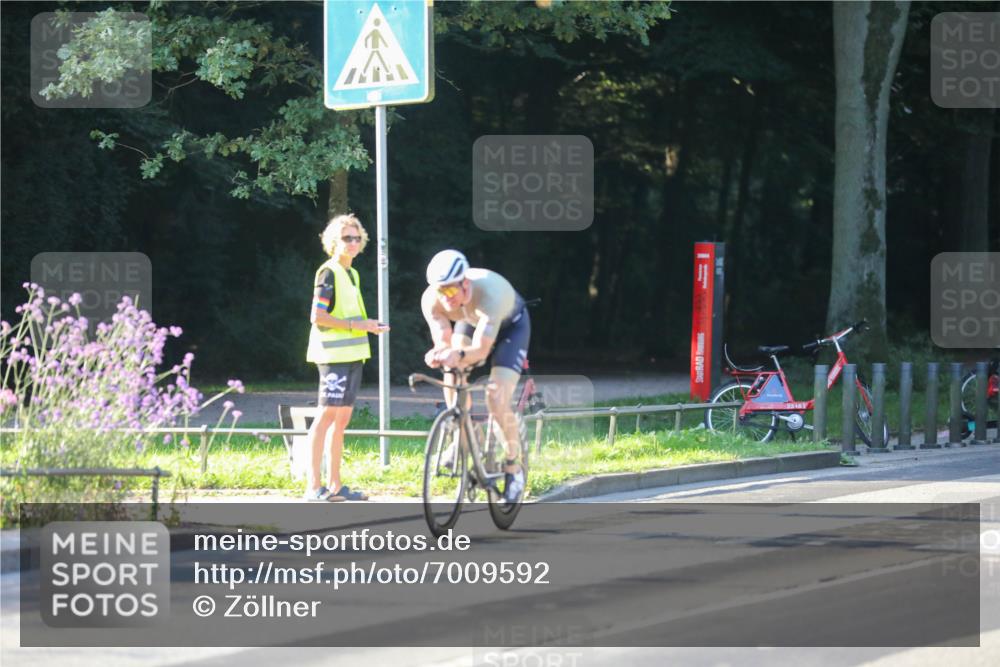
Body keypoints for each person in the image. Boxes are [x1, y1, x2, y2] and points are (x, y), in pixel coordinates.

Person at [420, 250, 530, 504]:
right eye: (439, 291)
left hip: (509, 328)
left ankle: (514, 466)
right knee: (452, 371)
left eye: (449, 291)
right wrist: (440, 353)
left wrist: (456, 353)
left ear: (465, 284)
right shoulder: (432, 299)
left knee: (496, 398)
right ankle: (467, 433)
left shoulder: (490, 294)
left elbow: (480, 350)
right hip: (470, 321)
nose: (444, 298)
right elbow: (443, 341)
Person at [304, 214, 389, 502]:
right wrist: (359, 325)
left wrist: (370, 325)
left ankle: (336, 486)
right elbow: (318, 317)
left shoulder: (352, 273)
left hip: (353, 356)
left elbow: (350, 316)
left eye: (356, 238)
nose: (352, 243)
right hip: (332, 356)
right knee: (325, 416)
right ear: (333, 242)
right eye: (346, 238)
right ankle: (313, 487)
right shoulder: (327, 272)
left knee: (341, 421)